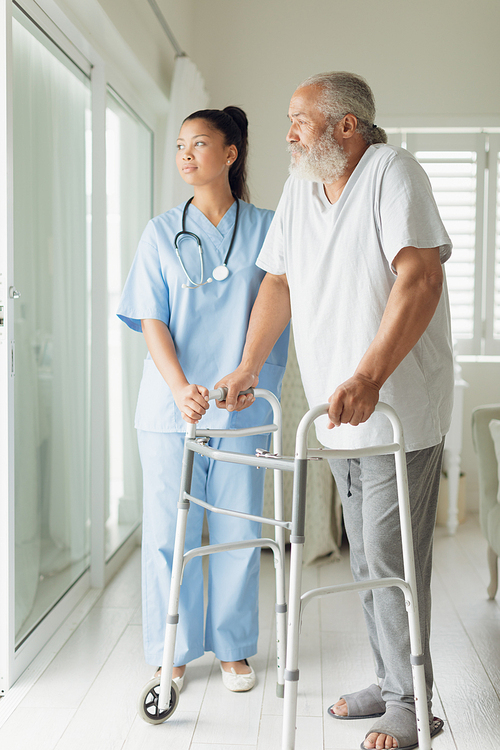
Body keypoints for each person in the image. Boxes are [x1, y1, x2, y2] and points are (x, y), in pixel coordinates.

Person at [215, 72, 453, 749]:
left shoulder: (391, 172)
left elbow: (422, 277)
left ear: (347, 126)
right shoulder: (299, 190)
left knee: (390, 556)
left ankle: (412, 704)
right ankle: (391, 678)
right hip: (335, 411)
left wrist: (372, 374)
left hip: (396, 406)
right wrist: (248, 366)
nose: (287, 131)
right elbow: (280, 282)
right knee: (365, 559)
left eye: (301, 119)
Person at [117, 106, 289, 694]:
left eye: (200, 143)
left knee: (238, 530)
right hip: (173, 408)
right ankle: (174, 649)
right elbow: (150, 316)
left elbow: (282, 303)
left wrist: (240, 377)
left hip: (244, 404)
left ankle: (235, 649)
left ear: (231, 153)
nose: (186, 154)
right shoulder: (161, 230)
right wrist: (179, 388)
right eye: (180, 145)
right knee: (170, 535)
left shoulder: (269, 227)